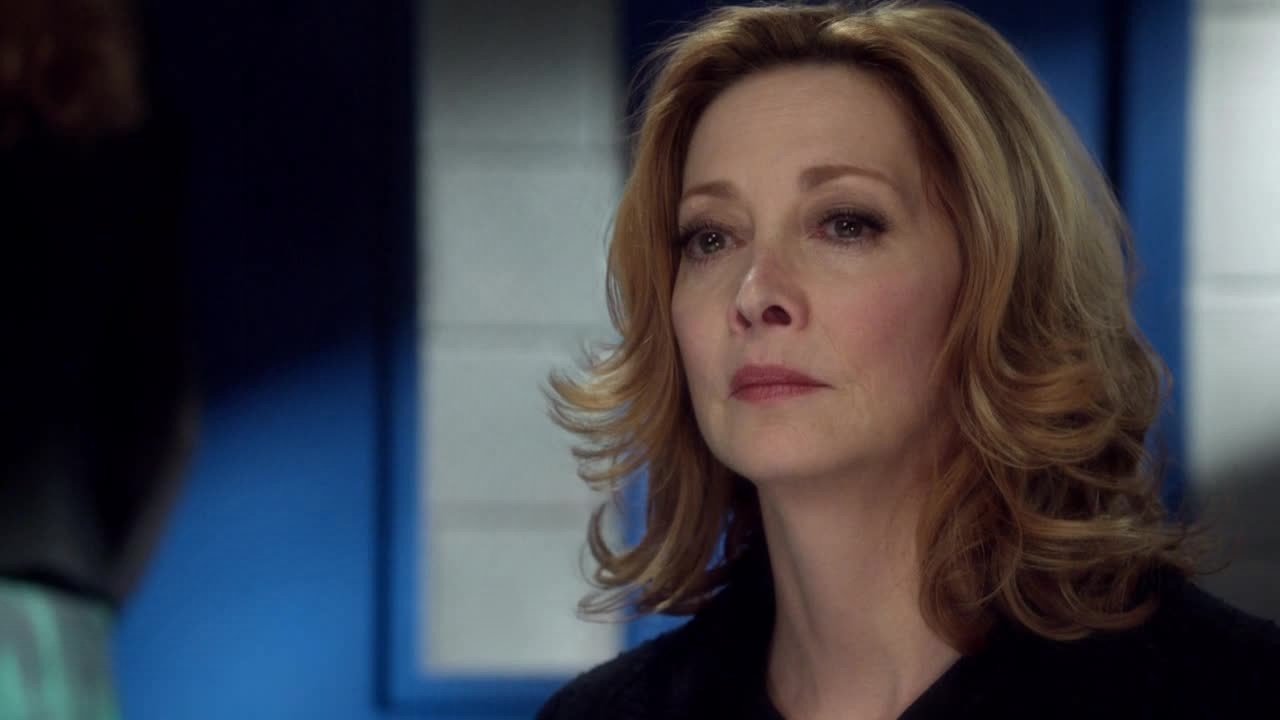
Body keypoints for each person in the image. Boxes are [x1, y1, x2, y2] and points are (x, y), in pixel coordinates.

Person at [538, 2, 1280, 718]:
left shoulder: (1234, 695)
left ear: (998, 280)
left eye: (845, 224)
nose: (755, 294)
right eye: (711, 238)